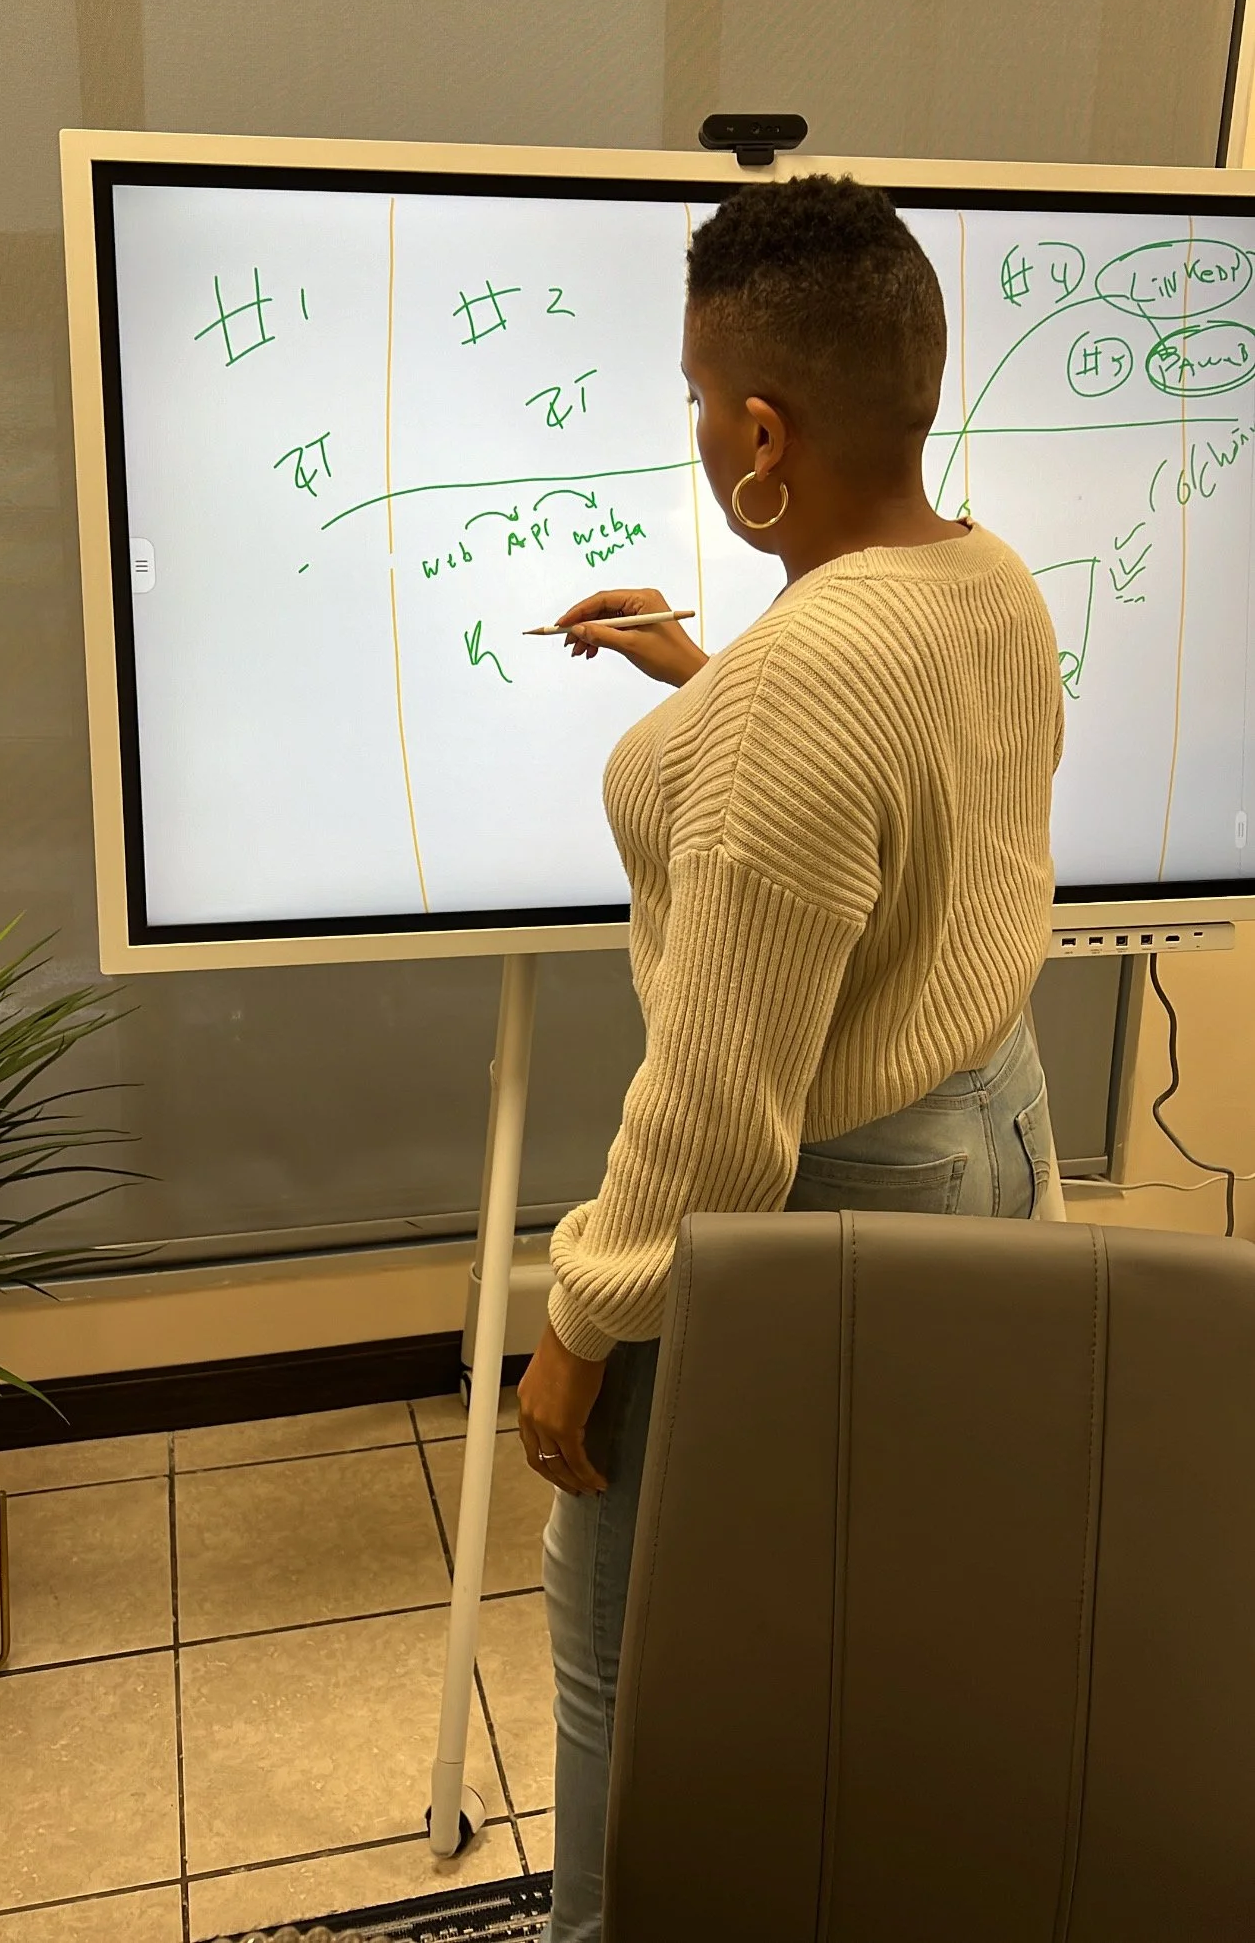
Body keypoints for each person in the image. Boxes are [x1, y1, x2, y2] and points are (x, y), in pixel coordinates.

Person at [517, 173, 1065, 1943]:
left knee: (628, 1660)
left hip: (827, 1191)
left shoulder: (799, 684)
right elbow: (888, 796)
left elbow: (718, 1111)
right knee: (873, 1605)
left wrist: (579, 1325)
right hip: (988, 1143)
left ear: (762, 435)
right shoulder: (990, 580)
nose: (695, 429)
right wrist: (713, 682)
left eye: (698, 397)